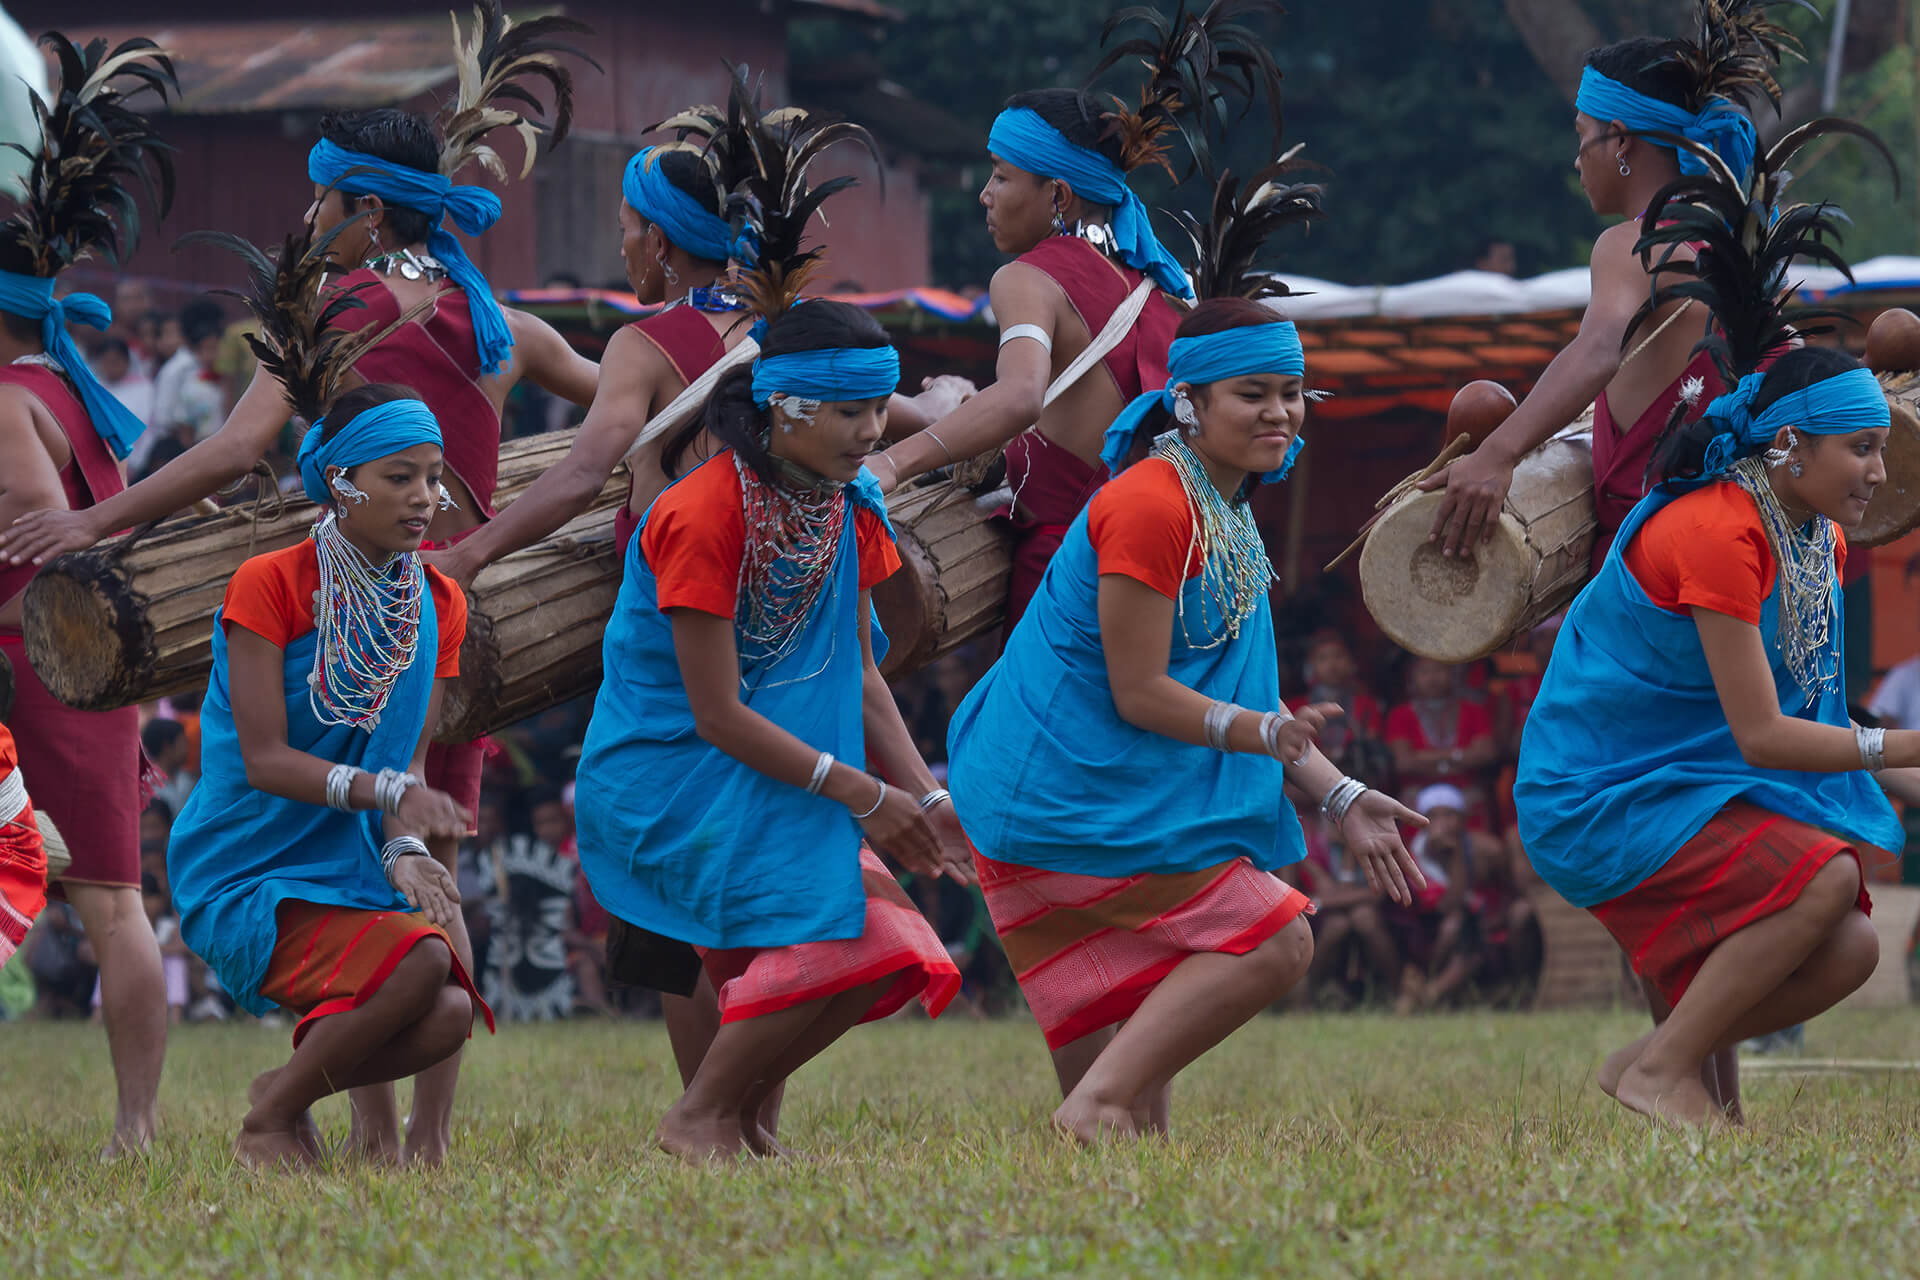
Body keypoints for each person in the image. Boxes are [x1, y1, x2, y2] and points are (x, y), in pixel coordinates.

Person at [0, 2, 594, 1151]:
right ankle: (422, 1141)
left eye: (323, 201)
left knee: (352, 862)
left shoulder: (327, 311)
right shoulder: (500, 322)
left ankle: (358, 1127)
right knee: (432, 856)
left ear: (366, 213)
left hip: (341, 627)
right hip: (451, 624)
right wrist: (490, 540)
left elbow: (233, 451)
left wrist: (96, 525)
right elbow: (605, 425)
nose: (307, 217)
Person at [947, 222, 1427, 1140]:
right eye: (1254, 394)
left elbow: (1256, 702)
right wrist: (1261, 739)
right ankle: (1086, 1109)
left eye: (1292, 393)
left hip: (1099, 802)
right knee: (1277, 938)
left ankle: (1097, 1118)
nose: (1280, 413)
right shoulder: (1151, 504)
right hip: (1057, 800)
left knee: (1140, 1137)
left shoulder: (1225, 507)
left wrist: (1342, 794)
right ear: (1187, 401)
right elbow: (1141, 693)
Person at [1514, 119, 1906, 1126]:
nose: (1878, 472)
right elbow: (1767, 735)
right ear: (1787, 448)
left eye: (1880, 449)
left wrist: (1900, 756)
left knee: (1853, 941)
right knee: (1819, 875)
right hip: (1600, 792)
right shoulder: (1719, 532)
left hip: (1696, 782)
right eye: (1860, 449)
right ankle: (1659, 1070)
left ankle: (1676, 1075)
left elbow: (1814, 710)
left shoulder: (1810, 534)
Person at [575, 290, 969, 1164]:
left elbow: (859, 672)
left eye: (879, 408)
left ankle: (742, 1124)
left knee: (864, 948)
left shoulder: (843, 504)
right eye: (849, 410)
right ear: (781, 406)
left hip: (783, 771)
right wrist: (865, 794)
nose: (872, 431)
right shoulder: (701, 514)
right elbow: (714, 712)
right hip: (672, 782)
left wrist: (925, 792)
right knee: (852, 937)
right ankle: (700, 1115)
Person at [165, 224, 493, 1167]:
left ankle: (289, 1091)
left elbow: (408, 765)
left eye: (433, 477)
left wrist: (401, 851)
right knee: (425, 959)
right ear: (339, 485)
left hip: (350, 860)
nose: (428, 498)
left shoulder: (437, 601)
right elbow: (264, 759)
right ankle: (270, 1120)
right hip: (248, 866)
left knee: (447, 1005)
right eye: (402, 478)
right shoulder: (268, 583)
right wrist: (393, 806)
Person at [871, 4, 1287, 628]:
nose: (986, 194)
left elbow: (1020, 399)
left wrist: (890, 463)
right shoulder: (1154, 289)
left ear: (1058, 195)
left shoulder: (1030, 277)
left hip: (1071, 568)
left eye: (1001, 175)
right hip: (1176, 562)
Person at [1424, 4, 1796, 567]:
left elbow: (1598, 351)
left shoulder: (1633, 243)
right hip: (1748, 544)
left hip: (1660, 557)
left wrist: (1495, 455)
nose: (1577, 159)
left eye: (1583, 136)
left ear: (1620, 140)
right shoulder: (1734, 250)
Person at [0, 32, 176, 1158]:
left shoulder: (7, 392)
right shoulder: (65, 378)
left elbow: (25, 542)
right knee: (111, 896)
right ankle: (137, 1125)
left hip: (42, 659)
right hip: (86, 660)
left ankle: (139, 1126)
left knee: (109, 897)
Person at [1385, 657, 1497, 815]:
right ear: (1411, 678)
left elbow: (1485, 754)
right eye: (1424, 672)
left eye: (1439, 670)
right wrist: (1459, 756)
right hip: (1417, 792)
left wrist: (1422, 757)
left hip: (1466, 791)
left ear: (1453, 674)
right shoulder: (1400, 715)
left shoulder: (1474, 711)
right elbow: (1403, 762)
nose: (1432, 678)